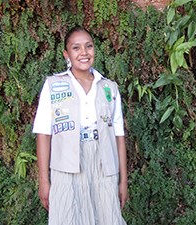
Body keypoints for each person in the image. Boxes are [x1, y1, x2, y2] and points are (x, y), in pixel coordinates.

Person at [32, 26, 128, 225]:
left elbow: (118, 136)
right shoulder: (53, 86)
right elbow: (43, 134)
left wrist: (123, 180)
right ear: (67, 54)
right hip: (66, 167)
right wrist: (44, 180)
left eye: (89, 46)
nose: (84, 53)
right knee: (69, 216)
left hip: (104, 166)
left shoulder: (109, 87)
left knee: (106, 217)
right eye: (76, 48)